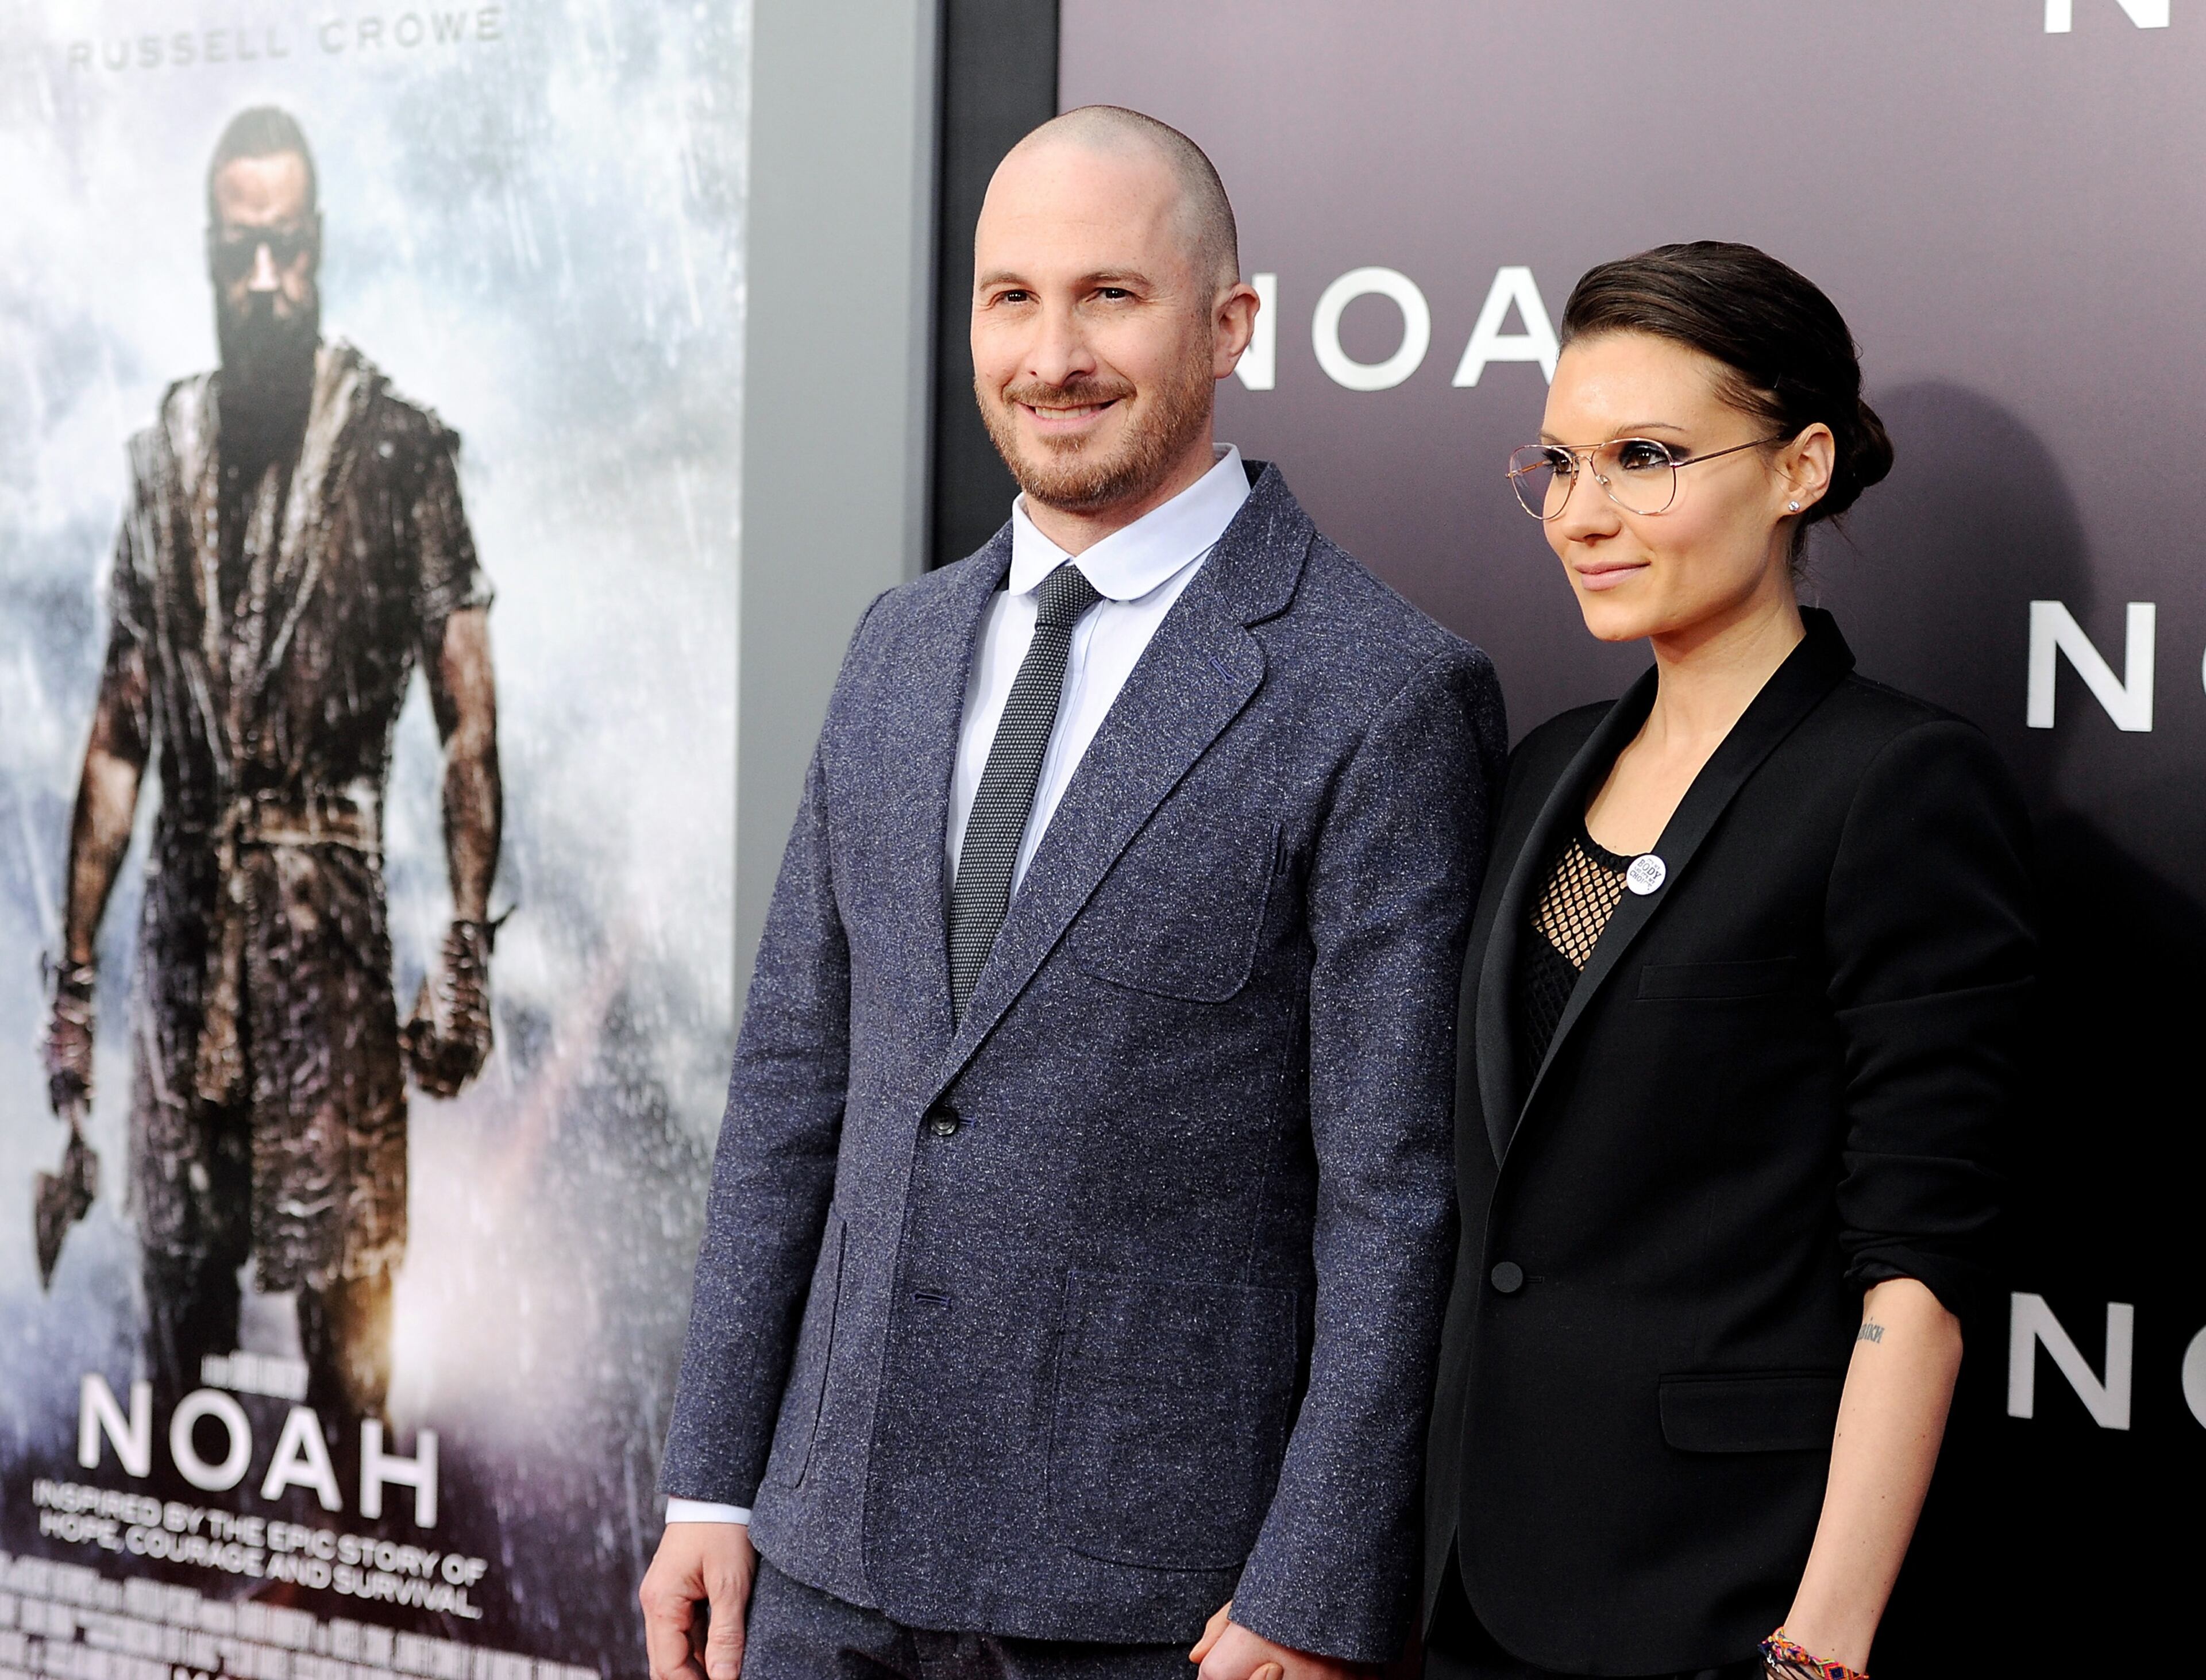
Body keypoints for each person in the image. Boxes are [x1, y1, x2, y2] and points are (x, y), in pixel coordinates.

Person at [642, 106, 1507, 1680]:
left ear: (1230, 323)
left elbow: (1394, 1191)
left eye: (1111, 294)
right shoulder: (894, 645)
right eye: (1010, 297)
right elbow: (791, 1086)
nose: (1051, 354)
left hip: (1158, 1606)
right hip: (819, 1560)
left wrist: (1315, 1585)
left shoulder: (1381, 690)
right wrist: (713, 1474)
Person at [1422, 243, 2033, 1680]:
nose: (1585, 513)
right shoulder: (1544, 767)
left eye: (1646, 457)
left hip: (1726, 1595)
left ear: (1801, 465)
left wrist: (1814, 1649)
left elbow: (1918, 1274)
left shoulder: (1895, 782)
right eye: (1560, 466)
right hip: (1474, 1585)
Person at [43, 106, 502, 1431]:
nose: (263, 282)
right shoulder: (164, 457)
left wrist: (464, 951)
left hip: (330, 943)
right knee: (175, 1297)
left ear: (319, 247)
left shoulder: (401, 452)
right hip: (187, 943)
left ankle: (350, 1589)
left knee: (352, 1325)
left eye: (285, 250)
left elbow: (470, 722)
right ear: (207, 254)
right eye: (240, 252)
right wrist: (74, 982)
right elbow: (121, 733)